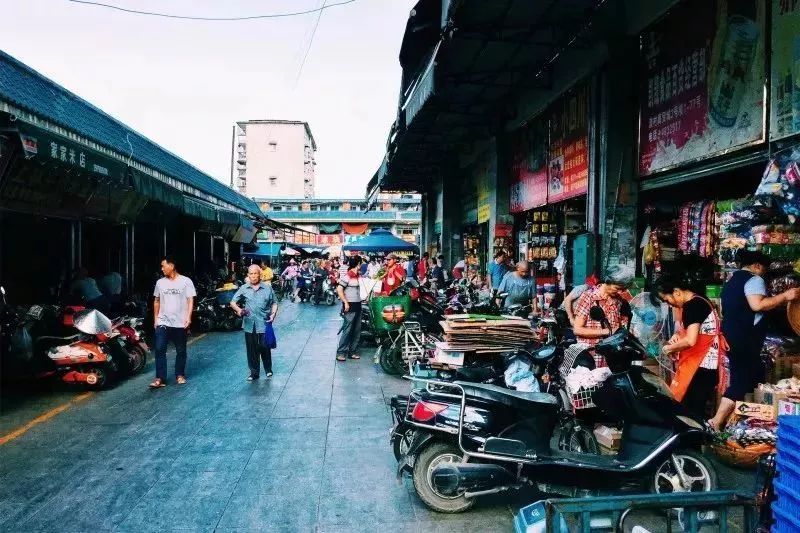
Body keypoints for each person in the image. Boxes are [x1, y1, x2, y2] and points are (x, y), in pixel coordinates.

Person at [708, 250, 800, 430]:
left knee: (755, 375)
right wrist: (785, 296)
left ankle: (746, 421)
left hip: (731, 336)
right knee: (741, 380)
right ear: (757, 265)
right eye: (763, 269)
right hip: (744, 338)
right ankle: (716, 421)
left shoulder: (732, 281)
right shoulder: (754, 279)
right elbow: (757, 305)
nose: (764, 274)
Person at [655, 275, 725, 418]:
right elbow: (692, 332)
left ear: (677, 292)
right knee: (694, 407)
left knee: (692, 410)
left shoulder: (692, 306)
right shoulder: (700, 300)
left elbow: (691, 340)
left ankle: (694, 439)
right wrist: (677, 336)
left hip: (701, 365)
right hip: (706, 365)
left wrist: (668, 348)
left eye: (667, 300)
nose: (669, 305)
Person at [150, 256, 196, 388]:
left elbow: (190, 300)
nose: (162, 268)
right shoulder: (160, 283)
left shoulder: (186, 281)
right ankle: (160, 378)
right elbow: (156, 301)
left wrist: (188, 317)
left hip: (180, 322)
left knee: (181, 350)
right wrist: (156, 319)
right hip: (163, 321)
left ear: (172, 266)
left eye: (163, 266)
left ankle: (180, 374)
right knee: (159, 349)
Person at [572, 268, 631, 366]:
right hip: (591, 356)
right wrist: (607, 331)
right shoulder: (589, 297)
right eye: (617, 288)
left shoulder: (618, 300)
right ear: (607, 281)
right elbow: (577, 329)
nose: (620, 292)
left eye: (623, 289)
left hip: (611, 355)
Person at [230, 264, 278, 381]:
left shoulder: (267, 288)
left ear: (260, 274)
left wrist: (273, 315)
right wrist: (239, 310)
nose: (253, 276)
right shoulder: (244, 288)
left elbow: (275, 303)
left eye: (255, 273)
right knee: (251, 349)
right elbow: (232, 302)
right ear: (248, 275)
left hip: (264, 322)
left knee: (264, 347)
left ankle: (268, 369)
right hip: (249, 324)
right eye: (251, 274)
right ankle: (254, 373)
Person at [335, 256, 363, 362]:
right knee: (347, 330)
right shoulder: (348, 276)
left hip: (358, 305)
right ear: (358, 264)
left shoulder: (358, 276)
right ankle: (341, 352)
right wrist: (345, 302)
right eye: (361, 263)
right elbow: (339, 289)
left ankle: (352, 351)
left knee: (356, 330)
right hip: (350, 306)